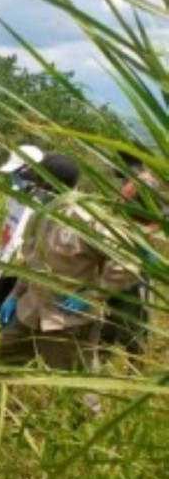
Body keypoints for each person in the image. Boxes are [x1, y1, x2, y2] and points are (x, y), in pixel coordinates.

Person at [0, 154, 136, 384]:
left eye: (36, 185)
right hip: (30, 309)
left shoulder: (87, 219)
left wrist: (93, 295)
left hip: (68, 320)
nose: (32, 190)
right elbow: (32, 261)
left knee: (76, 386)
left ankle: (86, 419)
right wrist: (14, 295)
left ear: (50, 185)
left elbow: (126, 262)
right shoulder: (41, 215)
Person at [0, 145, 44, 343]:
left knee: (0, 316)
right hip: (4, 262)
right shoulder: (17, 192)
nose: (15, 177)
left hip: (21, 269)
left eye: (18, 172)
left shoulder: (45, 203)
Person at [101, 150, 161, 359]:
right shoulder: (133, 182)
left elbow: (158, 217)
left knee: (136, 313)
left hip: (137, 258)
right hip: (123, 255)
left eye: (113, 161)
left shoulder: (144, 184)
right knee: (116, 308)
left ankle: (136, 364)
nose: (110, 167)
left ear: (123, 162)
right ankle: (107, 353)